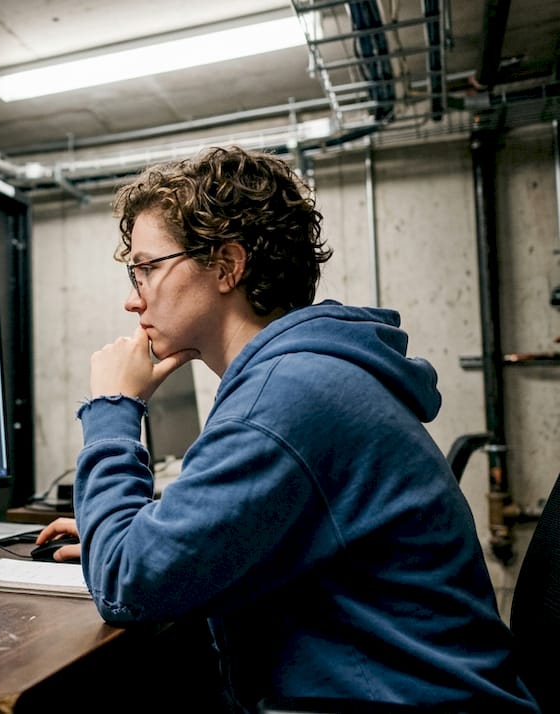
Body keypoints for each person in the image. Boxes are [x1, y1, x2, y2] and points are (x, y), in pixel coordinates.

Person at [35, 146, 539, 713]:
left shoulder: (286, 395)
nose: (133, 299)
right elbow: (157, 559)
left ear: (227, 265)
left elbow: (127, 587)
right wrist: (132, 537)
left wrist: (112, 405)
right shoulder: (307, 374)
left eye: (147, 268)